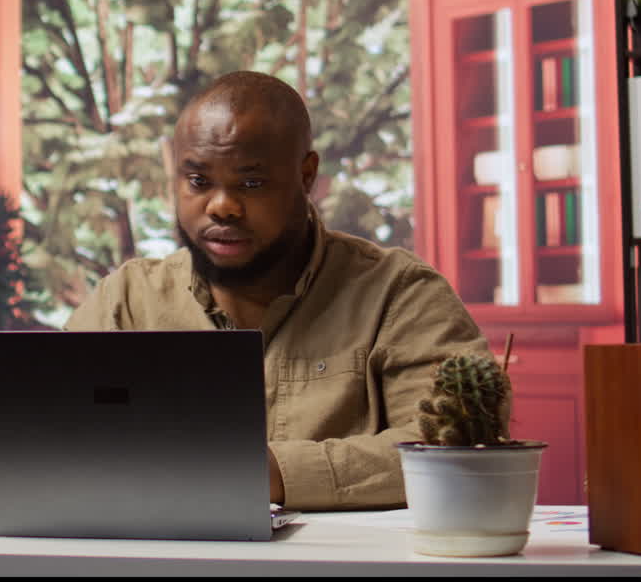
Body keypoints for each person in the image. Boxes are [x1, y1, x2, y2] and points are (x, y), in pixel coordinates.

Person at [64, 70, 491, 511]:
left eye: (251, 183)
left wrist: (266, 473)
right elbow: (48, 436)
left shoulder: (399, 294)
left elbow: (451, 444)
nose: (221, 206)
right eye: (198, 181)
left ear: (306, 175)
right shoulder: (128, 300)